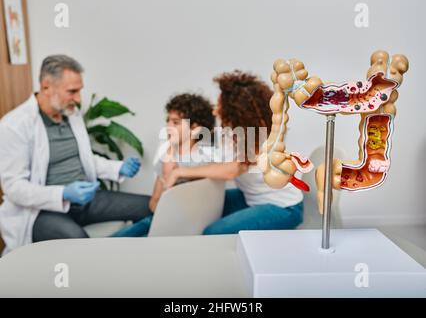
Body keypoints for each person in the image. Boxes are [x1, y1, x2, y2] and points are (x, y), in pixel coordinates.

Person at [0, 55, 150, 255]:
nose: (79, 99)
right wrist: (62, 194)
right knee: (79, 243)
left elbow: (85, 158)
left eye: (80, 90)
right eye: (72, 91)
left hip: (85, 201)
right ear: (46, 86)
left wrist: (117, 167)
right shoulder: (14, 125)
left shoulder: (71, 114)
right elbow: (14, 188)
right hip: (42, 211)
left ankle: (120, 259)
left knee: (150, 208)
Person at [164, 71, 304, 235]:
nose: (215, 111)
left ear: (235, 108)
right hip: (250, 198)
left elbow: (234, 169)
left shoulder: (261, 135)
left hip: (284, 207)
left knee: (212, 233)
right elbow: (215, 162)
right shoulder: (232, 132)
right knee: (202, 207)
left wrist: (181, 172)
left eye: (220, 105)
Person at [111, 93, 215, 237]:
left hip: (187, 225)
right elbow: (154, 202)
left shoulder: (206, 158)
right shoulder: (166, 156)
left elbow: (198, 203)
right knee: (116, 239)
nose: (168, 126)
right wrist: (171, 148)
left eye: (175, 122)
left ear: (194, 128)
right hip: (160, 219)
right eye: (168, 121)